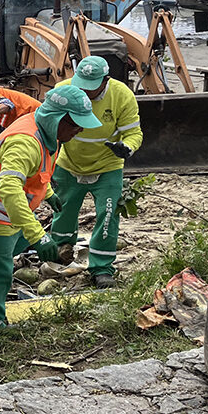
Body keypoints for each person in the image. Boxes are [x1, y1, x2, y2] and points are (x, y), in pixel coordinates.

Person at [0, 85, 102, 327]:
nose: (80, 129)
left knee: (14, 244)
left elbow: (36, 171)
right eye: (75, 124)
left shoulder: (46, 131)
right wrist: (38, 236)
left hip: (4, 210)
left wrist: (49, 193)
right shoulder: (25, 142)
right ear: (57, 119)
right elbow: (10, 190)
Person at [50, 56, 143, 288]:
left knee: (108, 216)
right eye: (82, 85)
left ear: (106, 80)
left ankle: (101, 268)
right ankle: (59, 252)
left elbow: (134, 133)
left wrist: (127, 147)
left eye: (92, 88)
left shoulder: (121, 95)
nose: (86, 92)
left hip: (107, 166)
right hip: (69, 163)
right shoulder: (63, 91)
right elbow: (46, 126)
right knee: (63, 212)